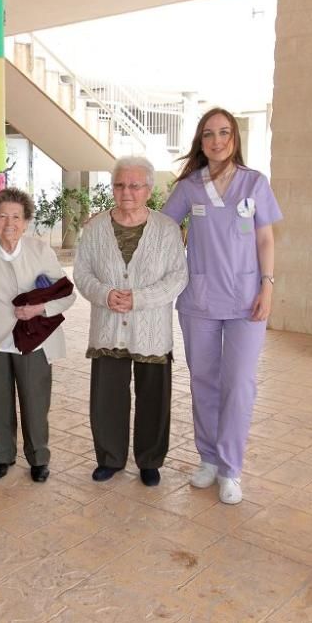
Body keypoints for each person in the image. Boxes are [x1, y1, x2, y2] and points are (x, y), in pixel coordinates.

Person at [161, 107, 282, 505]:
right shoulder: (189, 187)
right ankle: (209, 459)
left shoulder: (254, 183)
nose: (217, 140)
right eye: (209, 133)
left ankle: (231, 468)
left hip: (247, 299)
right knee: (204, 382)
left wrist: (267, 285)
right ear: (200, 140)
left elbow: (265, 239)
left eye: (224, 132)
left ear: (234, 138)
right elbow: (163, 231)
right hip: (199, 299)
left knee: (240, 384)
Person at [74, 156, 187, 487]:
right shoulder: (95, 229)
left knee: (154, 397)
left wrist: (139, 299)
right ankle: (110, 458)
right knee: (107, 396)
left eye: (135, 185)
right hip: (108, 326)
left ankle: (150, 460)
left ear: (148, 189)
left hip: (152, 331)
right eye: (120, 185)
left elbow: (177, 277)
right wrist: (105, 294)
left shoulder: (166, 229)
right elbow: (82, 272)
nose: (127, 192)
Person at [0, 187, 75, 483]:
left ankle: (38, 458)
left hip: (34, 338)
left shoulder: (40, 250)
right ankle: (3, 455)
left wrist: (40, 308)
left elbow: (66, 294)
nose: (9, 223)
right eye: (3, 216)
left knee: (35, 402)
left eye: (17, 217)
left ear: (26, 222)